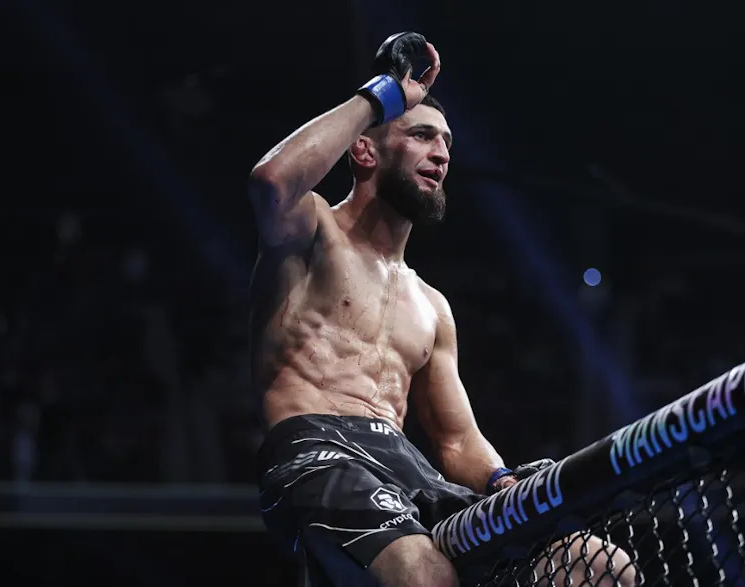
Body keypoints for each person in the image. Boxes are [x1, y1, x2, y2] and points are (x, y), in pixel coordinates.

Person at [249, 32, 635, 587]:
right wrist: (383, 96)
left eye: (448, 142)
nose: (443, 153)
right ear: (365, 148)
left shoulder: (431, 304)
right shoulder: (311, 231)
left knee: (601, 566)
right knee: (422, 572)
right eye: (423, 135)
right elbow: (271, 180)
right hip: (317, 452)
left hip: (410, 469)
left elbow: (456, 441)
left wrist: (505, 484)